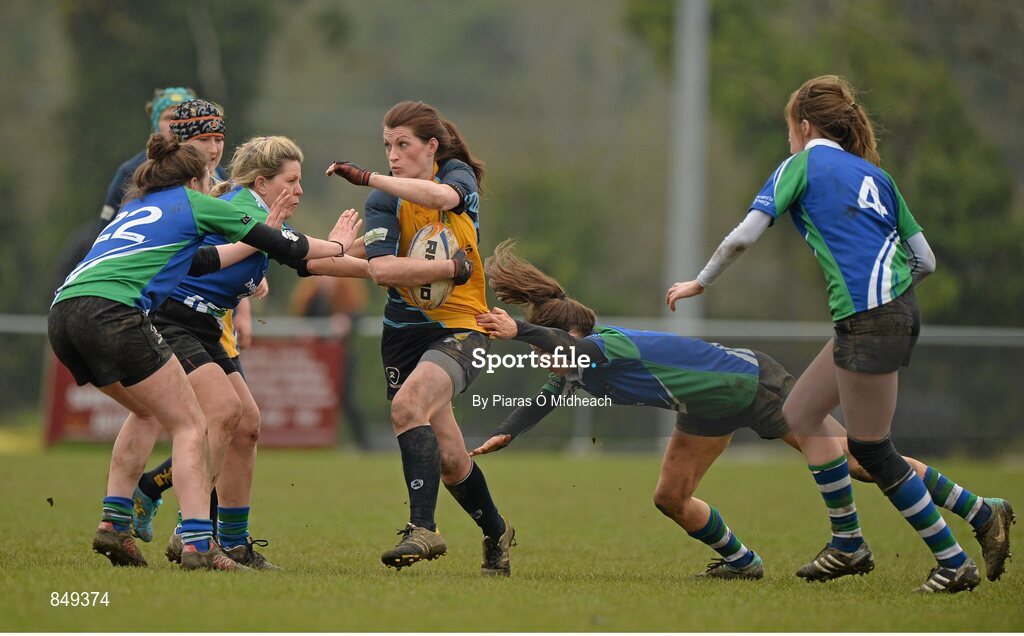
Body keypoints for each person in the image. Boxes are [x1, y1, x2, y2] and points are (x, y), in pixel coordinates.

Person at [473, 240, 1013, 582]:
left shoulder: (604, 344)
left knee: (859, 460)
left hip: (748, 384)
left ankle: (981, 510)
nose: (546, 358)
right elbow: (546, 396)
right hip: (704, 408)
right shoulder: (575, 363)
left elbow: (566, 351)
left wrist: (519, 329)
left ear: (567, 335)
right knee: (670, 496)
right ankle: (742, 562)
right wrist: (506, 433)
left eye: (548, 346)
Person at [665, 75, 1014, 592]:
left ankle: (953, 560)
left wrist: (699, 281)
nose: (790, 138)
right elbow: (926, 260)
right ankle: (860, 541)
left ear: (804, 126)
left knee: (873, 450)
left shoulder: (801, 165)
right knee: (801, 414)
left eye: (790, 129)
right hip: (886, 312)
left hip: (869, 319)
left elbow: (743, 237)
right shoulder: (878, 176)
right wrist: (889, 295)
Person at [49, 133, 361, 571]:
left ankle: (115, 522)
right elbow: (292, 249)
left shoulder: (135, 208)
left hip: (64, 311)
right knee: (194, 423)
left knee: (149, 413)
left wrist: (259, 245)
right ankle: (195, 541)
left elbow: (201, 263)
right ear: (197, 181)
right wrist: (341, 244)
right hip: (117, 313)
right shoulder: (196, 203)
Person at [325, 100, 516, 576]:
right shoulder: (383, 200)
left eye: (402, 145)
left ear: (431, 147)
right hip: (403, 337)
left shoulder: (457, 176)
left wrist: (368, 176)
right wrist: (451, 268)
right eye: (386, 146)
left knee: (407, 406)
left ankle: (422, 528)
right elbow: (384, 270)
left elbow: (440, 200)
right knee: (451, 459)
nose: (392, 155)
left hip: (463, 328)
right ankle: (497, 531)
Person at [290, 275, 371, 449]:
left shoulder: (349, 293)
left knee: (346, 397)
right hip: (318, 358)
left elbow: (358, 315)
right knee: (316, 397)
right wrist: (307, 328)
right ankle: (313, 438)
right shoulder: (312, 294)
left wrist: (346, 322)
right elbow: (304, 316)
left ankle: (362, 443)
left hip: (342, 356)